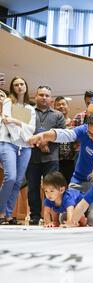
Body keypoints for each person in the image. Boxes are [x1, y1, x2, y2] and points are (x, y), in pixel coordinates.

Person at [28, 111, 93, 226]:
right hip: (80, 180)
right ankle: (82, 216)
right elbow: (66, 134)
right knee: (67, 218)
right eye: (91, 134)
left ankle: (91, 215)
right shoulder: (84, 131)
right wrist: (43, 135)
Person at [25, 85, 65, 225]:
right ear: (35, 97)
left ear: (51, 99)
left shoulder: (58, 115)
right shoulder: (27, 112)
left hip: (51, 157)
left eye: (47, 95)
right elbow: (22, 131)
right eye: (41, 95)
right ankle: (35, 216)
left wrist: (46, 143)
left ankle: (53, 215)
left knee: (53, 188)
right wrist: (40, 143)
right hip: (31, 157)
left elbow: (61, 135)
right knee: (33, 187)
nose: (44, 97)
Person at [0, 77, 36, 225]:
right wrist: (21, 128)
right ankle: (1, 211)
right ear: (12, 88)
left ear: (26, 86)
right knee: (10, 177)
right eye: (16, 85)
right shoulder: (8, 102)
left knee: (18, 182)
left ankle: (8, 215)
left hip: (25, 147)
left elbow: (31, 128)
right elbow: (6, 120)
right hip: (8, 142)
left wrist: (16, 121)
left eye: (22, 84)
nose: (19, 87)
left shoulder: (30, 108)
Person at [54, 96, 75, 183]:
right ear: (54, 108)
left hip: (72, 160)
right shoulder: (52, 124)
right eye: (58, 105)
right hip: (55, 160)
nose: (61, 106)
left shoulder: (75, 122)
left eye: (63, 104)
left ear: (68, 107)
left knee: (71, 185)